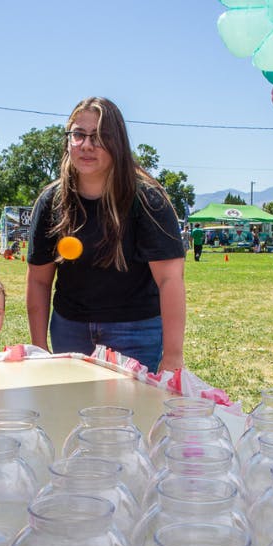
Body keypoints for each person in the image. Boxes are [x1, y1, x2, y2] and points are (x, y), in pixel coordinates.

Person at [26, 97, 186, 373]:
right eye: (78, 135)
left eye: (100, 136)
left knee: (132, 414)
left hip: (135, 330)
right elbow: (39, 281)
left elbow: (170, 279)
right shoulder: (51, 200)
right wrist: (39, 349)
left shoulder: (147, 200)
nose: (87, 145)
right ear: (68, 141)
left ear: (118, 143)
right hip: (69, 328)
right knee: (71, 411)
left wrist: (172, 356)